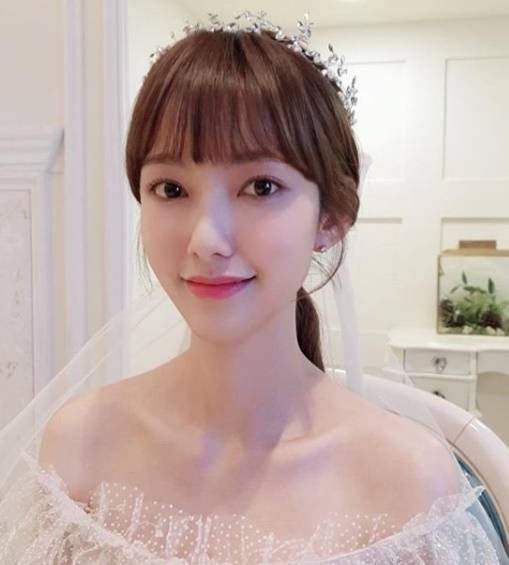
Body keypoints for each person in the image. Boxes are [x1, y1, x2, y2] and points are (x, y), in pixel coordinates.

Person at [0, 11, 506, 564]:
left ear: (331, 216)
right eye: (170, 189)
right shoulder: (79, 447)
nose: (207, 240)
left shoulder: (409, 482)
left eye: (261, 187)